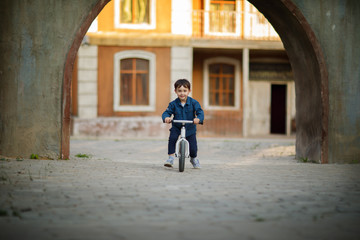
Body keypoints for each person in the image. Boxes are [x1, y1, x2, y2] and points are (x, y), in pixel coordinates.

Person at [162, 79, 204, 169]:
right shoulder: (173, 104)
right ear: (175, 91)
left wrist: (198, 118)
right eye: (179, 91)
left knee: (193, 147)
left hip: (190, 127)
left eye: (185, 91)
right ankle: (171, 158)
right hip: (177, 126)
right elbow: (166, 112)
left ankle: (193, 159)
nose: (182, 93)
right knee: (172, 138)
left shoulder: (194, 103)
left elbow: (200, 112)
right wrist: (166, 117)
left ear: (189, 91)